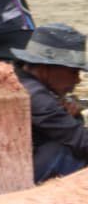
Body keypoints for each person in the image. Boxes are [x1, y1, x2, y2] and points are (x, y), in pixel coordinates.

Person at [11, 23, 88, 183]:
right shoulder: (36, 96)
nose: (77, 80)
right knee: (66, 150)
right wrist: (74, 119)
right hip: (20, 176)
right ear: (46, 67)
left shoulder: (21, 78)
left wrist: (72, 117)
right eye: (73, 72)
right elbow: (80, 141)